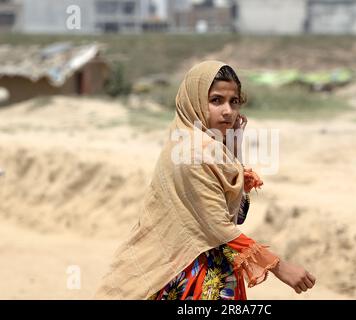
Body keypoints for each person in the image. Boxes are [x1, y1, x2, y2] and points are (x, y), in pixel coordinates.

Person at [94, 60, 316, 300]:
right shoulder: (192, 151)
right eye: (216, 100)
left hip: (215, 275)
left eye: (234, 101)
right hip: (189, 277)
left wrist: (232, 152)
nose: (228, 111)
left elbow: (236, 215)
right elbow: (218, 226)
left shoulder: (204, 148)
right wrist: (279, 267)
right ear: (195, 101)